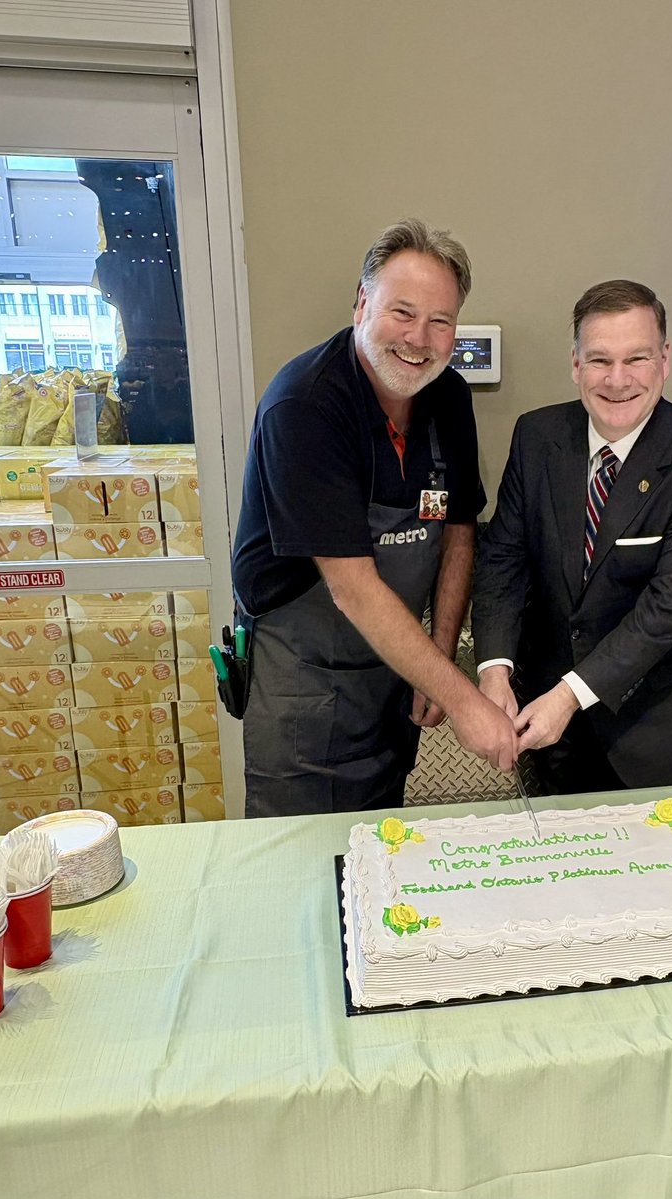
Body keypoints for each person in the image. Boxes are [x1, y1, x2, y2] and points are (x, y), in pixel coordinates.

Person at [232, 218, 516, 817]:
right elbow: (353, 587)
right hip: (303, 681)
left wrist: (435, 660)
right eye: (402, 313)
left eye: (440, 321)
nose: (419, 338)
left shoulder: (448, 397)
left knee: (380, 841)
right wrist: (465, 700)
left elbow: (459, 530)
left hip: (394, 670)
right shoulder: (305, 406)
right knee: (307, 863)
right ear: (362, 304)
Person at [472, 279, 672, 793]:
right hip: (549, 728)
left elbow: (669, 610)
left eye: (636, 359)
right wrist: (494, 670)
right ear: (575, 365)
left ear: (664, 360)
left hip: (649, 730)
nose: (617, 380)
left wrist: (569, 696)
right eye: (599, 360)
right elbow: (503, 560)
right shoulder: (536, 436)